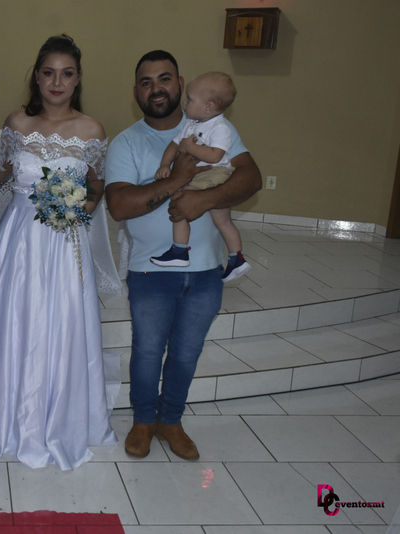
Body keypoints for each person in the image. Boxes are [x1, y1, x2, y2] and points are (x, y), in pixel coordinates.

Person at [0, 35, 118, 470]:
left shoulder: (92, 130)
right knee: (12, 319)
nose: (57, 82)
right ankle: (2, 413)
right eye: (49, 73)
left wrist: (76, 212)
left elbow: (97, 186)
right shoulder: (16, 122)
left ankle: (59, 416)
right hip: (17, 240)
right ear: (37, 76)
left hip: (64, 242)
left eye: (67, 74)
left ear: (78, 78)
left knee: (61, 322)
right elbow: (1, 174)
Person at [105, 50, 261, 460]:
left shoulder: (216, 127)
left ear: (181, 84)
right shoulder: (127, 142)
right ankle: (143, 420)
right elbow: (119, 205)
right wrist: (178, 180)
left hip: (206, 271)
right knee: (147, 352)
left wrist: (202, 200)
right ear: (136, 92)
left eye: (164, 79)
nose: (156, 88)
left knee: (187, 353)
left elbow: (250, 177)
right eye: (146, 82)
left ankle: (170, 420)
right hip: (150, 272)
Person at [149, 72, 250, 282]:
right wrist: (165, 164)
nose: (184, 102)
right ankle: (236, 259)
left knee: (181, 201)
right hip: (204, 175)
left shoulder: (220, 127)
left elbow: (215, 156)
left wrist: (190, 147)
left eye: (190, 99)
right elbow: (174, 145)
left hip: (215, 173)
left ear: (208, 107)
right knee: (223, 221)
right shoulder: (191, 123)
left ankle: (179, 251)